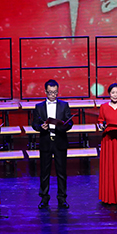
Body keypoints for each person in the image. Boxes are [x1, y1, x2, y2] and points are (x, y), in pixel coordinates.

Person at [32, 79, 74, 209]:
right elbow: (34, 124)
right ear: (45, 92)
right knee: (45, 172)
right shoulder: (39, 107)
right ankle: (44, 198)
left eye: (55, 92)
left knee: (61, 172)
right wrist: (40, 127)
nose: (53, 95)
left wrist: (63, 126)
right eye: (50, 92)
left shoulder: (64, 105)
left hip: (60, 140)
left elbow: (70, 122)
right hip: (45, 141)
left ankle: (62, 198)